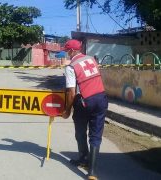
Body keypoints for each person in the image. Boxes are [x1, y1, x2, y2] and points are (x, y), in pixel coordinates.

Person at [61, 39, 108, 180]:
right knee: (96, 135)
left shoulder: (71, 67)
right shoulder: (91, 59)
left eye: (67, 51)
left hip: (85, 102)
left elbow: (71, 93)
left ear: (71, 51)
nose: (67, 54)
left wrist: (67, 110)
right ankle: (92, 172)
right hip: (101, 98)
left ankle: (83, 159)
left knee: (81, 132)